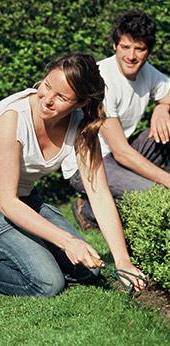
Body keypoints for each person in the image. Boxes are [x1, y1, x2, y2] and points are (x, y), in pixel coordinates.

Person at [0, 53, 146, 297]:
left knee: (87, 271)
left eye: (62, 97)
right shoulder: (12, 118)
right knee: (46, 283)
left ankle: (16, 258)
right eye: (47, 86)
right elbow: (7, 203)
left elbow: (99, 195)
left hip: (22, 200)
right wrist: (67, 242)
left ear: (80, 103)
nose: (47, 100)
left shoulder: (82, 125)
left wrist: (123, 262)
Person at [65, 10, 170, 230]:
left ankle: (97, 203)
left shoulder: (147, 73)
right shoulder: (102, 79)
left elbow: (167, 95)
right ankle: (88, 210)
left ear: (148, 51)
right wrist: (166, 180)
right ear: (115, 46)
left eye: (139, 49)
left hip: (118, 156)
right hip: (88, 163)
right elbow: (122, 151)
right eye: (125, 47)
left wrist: (163, 107)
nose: (131, 56)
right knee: (157, 194)